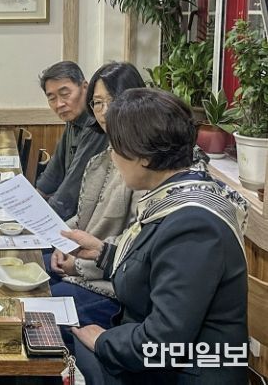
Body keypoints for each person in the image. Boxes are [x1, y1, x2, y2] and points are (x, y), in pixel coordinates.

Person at [65, 88, 248, 384]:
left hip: (185, 373)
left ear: (144, 157)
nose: (112, 156)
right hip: (157, 359)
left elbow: (163, 345)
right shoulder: (176, 194)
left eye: (115, 147)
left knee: (49, 345)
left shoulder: (194, 224)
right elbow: (158, 269)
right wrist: (105, 254)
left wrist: (103, 342)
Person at [47, 62, 146, 331]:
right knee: (23, 276)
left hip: (113, 287)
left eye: (113, 101)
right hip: (84, 261)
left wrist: (78, 265)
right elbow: (82, 215)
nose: (104, 112)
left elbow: (136, 245)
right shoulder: (102, 159)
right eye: (98, 103)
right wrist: (62, 244)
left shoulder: (144, 164)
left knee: (36, 313)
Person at [35, 61, 108, 221]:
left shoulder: (96, 124)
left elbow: (71, 190)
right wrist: (28, 203)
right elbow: (52, 174)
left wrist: (39, 219)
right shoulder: (72, 120)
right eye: (52, 98)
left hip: (86, 218)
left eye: (65, 94)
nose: (59, 104)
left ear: (85, 87)